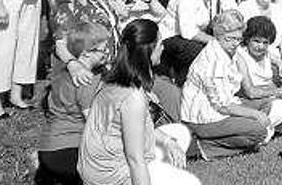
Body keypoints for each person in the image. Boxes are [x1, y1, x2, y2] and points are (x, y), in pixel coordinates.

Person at [78, 19, 198, 185]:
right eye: (160, 44)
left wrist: (168, 142)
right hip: (110, 174)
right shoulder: (133, 96)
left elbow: (137, 127)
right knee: (190, 183)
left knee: (179, 134)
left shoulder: (113, 77)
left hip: (94, 165)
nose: (163, 48)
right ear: (148, 50)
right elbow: (135, 159)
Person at [181, 10, 274, 159]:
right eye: (230, 39)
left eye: (238, 39)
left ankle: (233, 138)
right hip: (204, 117)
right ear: (218, 35)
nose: (235, 43)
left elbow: (246, 89)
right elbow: (222, 106)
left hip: (225, 105)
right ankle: (205, 148)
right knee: (259, 131)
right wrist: (255, 114)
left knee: (265, 103)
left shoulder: (229, 50)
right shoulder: (214, 61)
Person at [36, 23, 109, 185]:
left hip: (48, 144)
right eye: (103, 49)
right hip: (69, 149)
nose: (106, 53)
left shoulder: (63, 71)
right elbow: (92, 122)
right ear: (87, 53)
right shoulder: (85, 80)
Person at [163, 0, 237, 85]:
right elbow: (188, 33)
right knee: (200, 51)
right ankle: (187, 87)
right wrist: (218, 42)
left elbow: (234, 15)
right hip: (174, 38)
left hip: (202, 35)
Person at [233, 16, 282, 131]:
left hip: (268, 95)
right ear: (247, 39)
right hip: (251, 102)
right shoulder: (240, 56)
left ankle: (270, 127)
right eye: (256, 41)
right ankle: (262, 128)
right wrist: (277, 92)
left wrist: (281, 64)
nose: (260, 46)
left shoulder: (266, 54)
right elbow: (249, 92)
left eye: (265, 42)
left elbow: (270, 79)